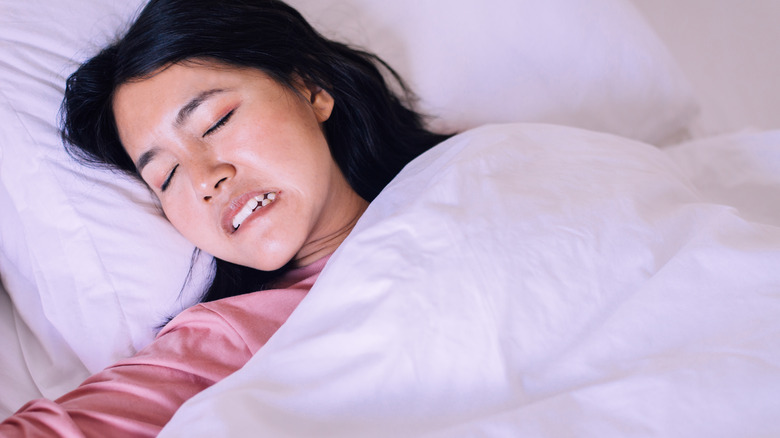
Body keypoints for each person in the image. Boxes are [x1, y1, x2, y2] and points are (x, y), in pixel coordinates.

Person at [0, 0, 451, 436]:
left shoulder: (478, 169)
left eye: (215, 122)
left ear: (311, 87)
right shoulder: (227, 339)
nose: (203, 180)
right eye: (166, 176)